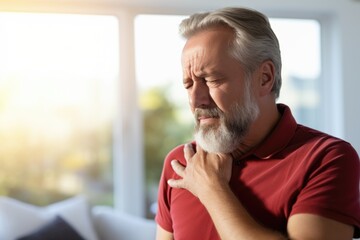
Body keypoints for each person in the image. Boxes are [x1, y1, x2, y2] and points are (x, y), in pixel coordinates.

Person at [155, 7, 360, 240]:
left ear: (264, 78)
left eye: (212, 79)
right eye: (189, 85)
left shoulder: (326, 158)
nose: (195, 100)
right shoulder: (180, 162)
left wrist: (213, 190)